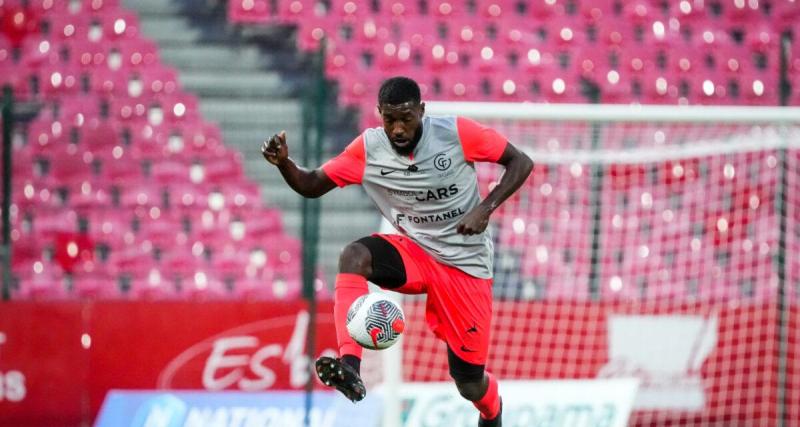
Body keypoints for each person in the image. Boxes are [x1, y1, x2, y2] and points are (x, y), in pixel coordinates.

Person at [261, 76, 532, 427]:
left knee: (468, 383)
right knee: (354, 256)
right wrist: (285, 163)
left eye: (406, 118)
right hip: (416, 253)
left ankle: (492, 410)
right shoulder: (369, 149)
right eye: (390, 120)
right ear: (379, 114)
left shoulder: (458, 134)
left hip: (465, 267)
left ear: (422, 110)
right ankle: (349, 366)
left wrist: (485, 209)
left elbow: (520, 162)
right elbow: (312, 184)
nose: (398, 128)